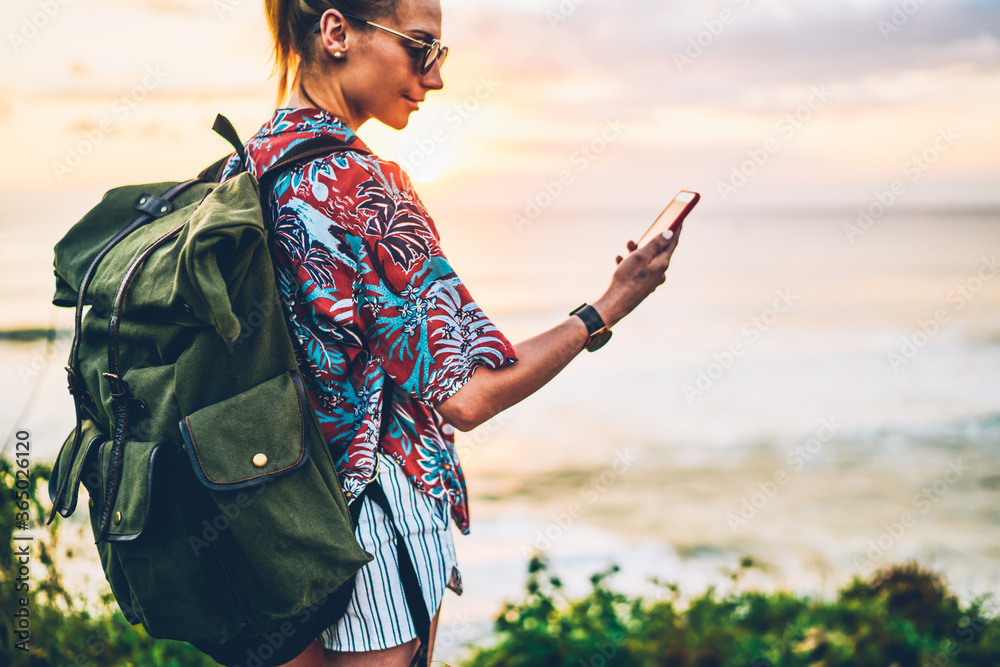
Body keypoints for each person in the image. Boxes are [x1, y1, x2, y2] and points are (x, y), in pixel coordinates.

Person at [233, 1, 684, 664]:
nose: (434, 78)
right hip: (373, 518)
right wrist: (608, 306)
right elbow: (469, 395)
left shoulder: (243, 170)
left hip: (270, 510)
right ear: (336, 32)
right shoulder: (364, 186)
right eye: (421, 49)